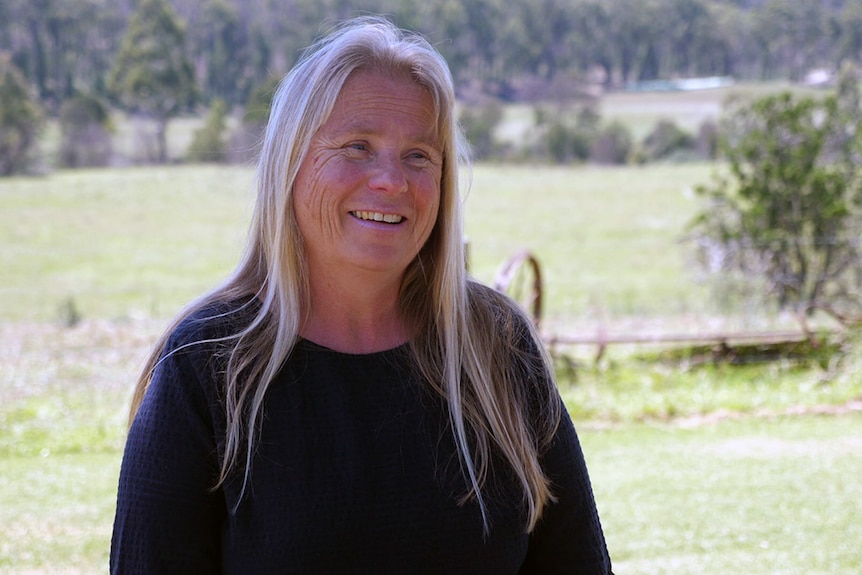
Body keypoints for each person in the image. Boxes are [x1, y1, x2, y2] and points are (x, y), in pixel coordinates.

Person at [110, 16, 612, 574]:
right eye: (357, 146)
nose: (392, 181)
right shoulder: (208, 365)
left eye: (419, 155)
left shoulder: (496, 345)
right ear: (290, 163)